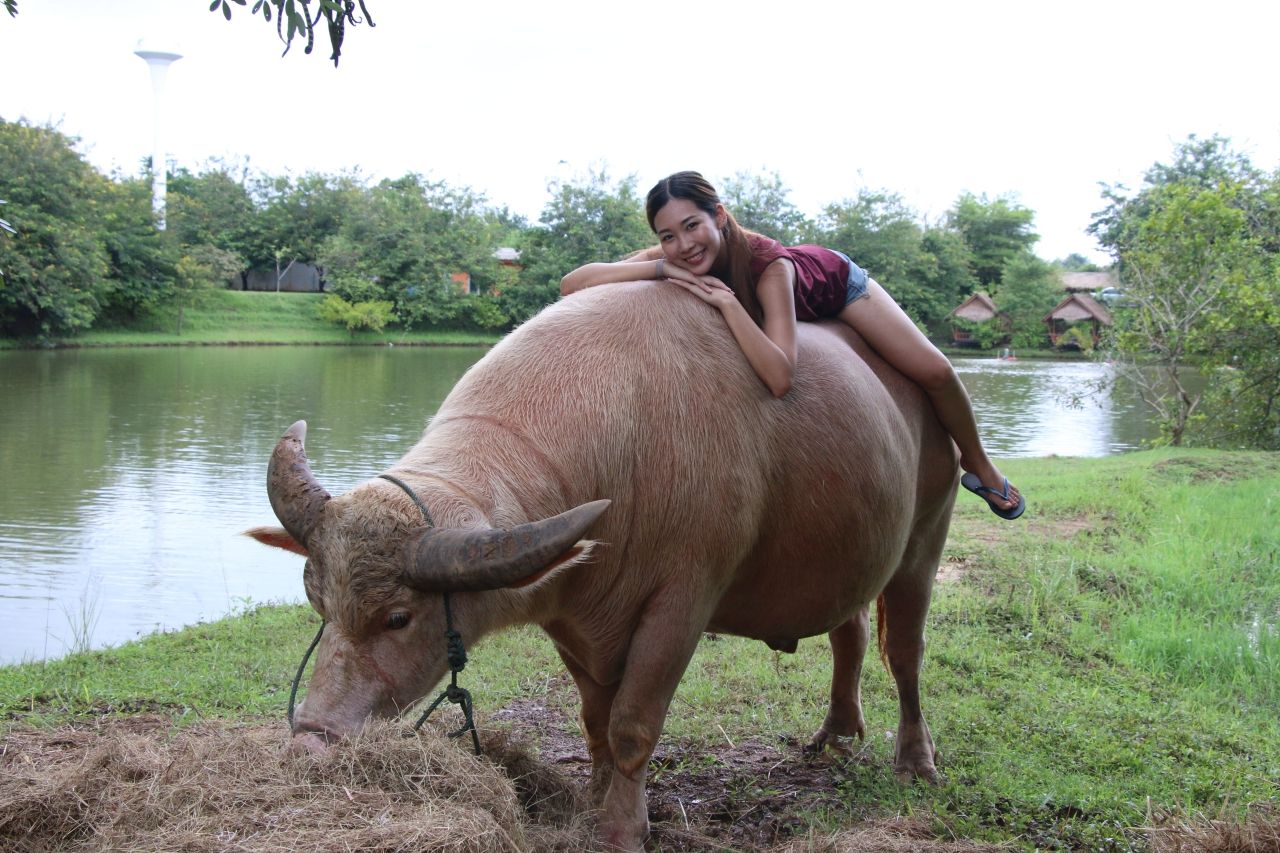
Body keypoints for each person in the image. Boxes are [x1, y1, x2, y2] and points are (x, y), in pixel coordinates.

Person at [560, 171, 1024, 520]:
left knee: (936, 371)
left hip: (839, 288)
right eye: (667, 236)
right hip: (777, 296)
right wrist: (661, 268)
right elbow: (573, 284)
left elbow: (781, 377)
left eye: (692, 225)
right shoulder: (676, 256)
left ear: (719, 215)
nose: (684, 244)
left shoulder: (769, 266)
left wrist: (728, 305)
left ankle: (980, 465)